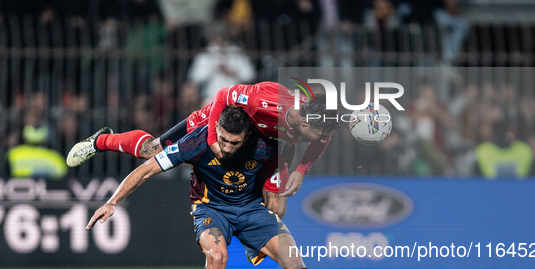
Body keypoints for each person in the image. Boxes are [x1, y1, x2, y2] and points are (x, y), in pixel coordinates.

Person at [85, 106, 349, 269]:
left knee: (292, 256)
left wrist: (277, 193)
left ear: (247, 135)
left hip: (250, 209)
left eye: (233, 143)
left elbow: (278, 195)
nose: (225, 148)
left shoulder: (268, 145)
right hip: (211, 209)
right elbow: (146, 170)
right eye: (222, 139)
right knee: (217, 255)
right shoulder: (197, 141)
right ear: (216, 129)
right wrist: (112, 202)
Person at [66, 81, 339, 217]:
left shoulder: (313, 119)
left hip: (264, 140)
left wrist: (302, 171)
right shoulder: (263, 101)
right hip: (221, 121)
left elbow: (322, 138)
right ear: (304, 121)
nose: (322, 138)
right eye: (319, 133)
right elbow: (222, 96)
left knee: (278, 208)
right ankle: (101, 141)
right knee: (151, 150)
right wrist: (211, 140)